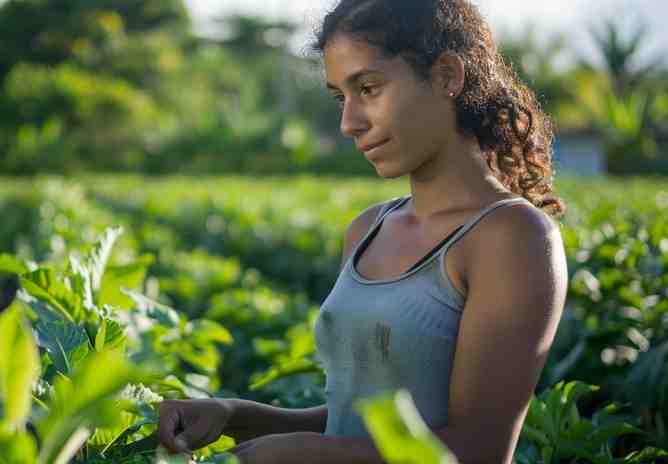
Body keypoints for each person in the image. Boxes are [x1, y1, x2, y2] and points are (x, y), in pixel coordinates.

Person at [158, 0, 569, 462]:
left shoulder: (512, 237)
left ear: (447, 76)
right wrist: (235, 415)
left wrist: (310, 456)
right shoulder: (367, 230)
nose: (349, 123)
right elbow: (351, 423)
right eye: (340, 97)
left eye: (368, 88)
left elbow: (479, 449)